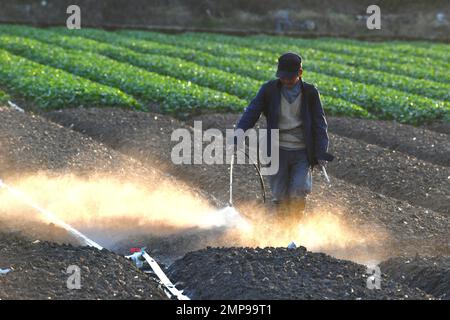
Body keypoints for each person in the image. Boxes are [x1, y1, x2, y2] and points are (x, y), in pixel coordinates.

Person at [234, 52, 333, 221]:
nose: (285, 81)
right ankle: (282, 228)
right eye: (283, 77)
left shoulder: (310, 93)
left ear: (300, 73)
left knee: (298, 190)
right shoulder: (269, 89)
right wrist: (239, 133)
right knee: (280, 194)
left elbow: (319, 123)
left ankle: (294, 227)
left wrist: (321, 150)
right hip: (276, 149)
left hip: (302, 150)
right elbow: (253, 111)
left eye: (290, 77)